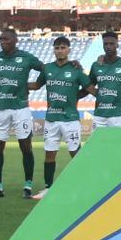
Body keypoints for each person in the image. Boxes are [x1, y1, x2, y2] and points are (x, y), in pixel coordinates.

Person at [0, 27, 44, 199]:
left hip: (20, 109)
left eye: (6, 39)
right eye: (1, 39)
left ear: (15, 41)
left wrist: (35, 85)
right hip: (1, 109)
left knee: (26, 147)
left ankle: (28, 185)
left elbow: (47, 69)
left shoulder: (26, 57)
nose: (2, 42)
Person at [31, 36, 90, 200]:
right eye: (57, 48)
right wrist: (16, 84)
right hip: (51, 118)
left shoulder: (76, 69)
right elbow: (36, 85)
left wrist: (76, 96)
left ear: (69, 49)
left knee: (75, 153)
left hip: (70, 119)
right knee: (49, 154)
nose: (60, 50)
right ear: (54, 50)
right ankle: (48, 188)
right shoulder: (47, 68)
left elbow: (90, 87)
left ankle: (81, 185)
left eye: (63, 47)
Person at [88, 31, 121, 130]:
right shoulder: (96, 65)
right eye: (105, 44)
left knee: (120, 145)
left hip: (120, 115)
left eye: (111, 44)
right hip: (100, 115)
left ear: (117, 45)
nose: (108, 46)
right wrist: (99, 94)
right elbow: (88, 85)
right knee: (97, 145)